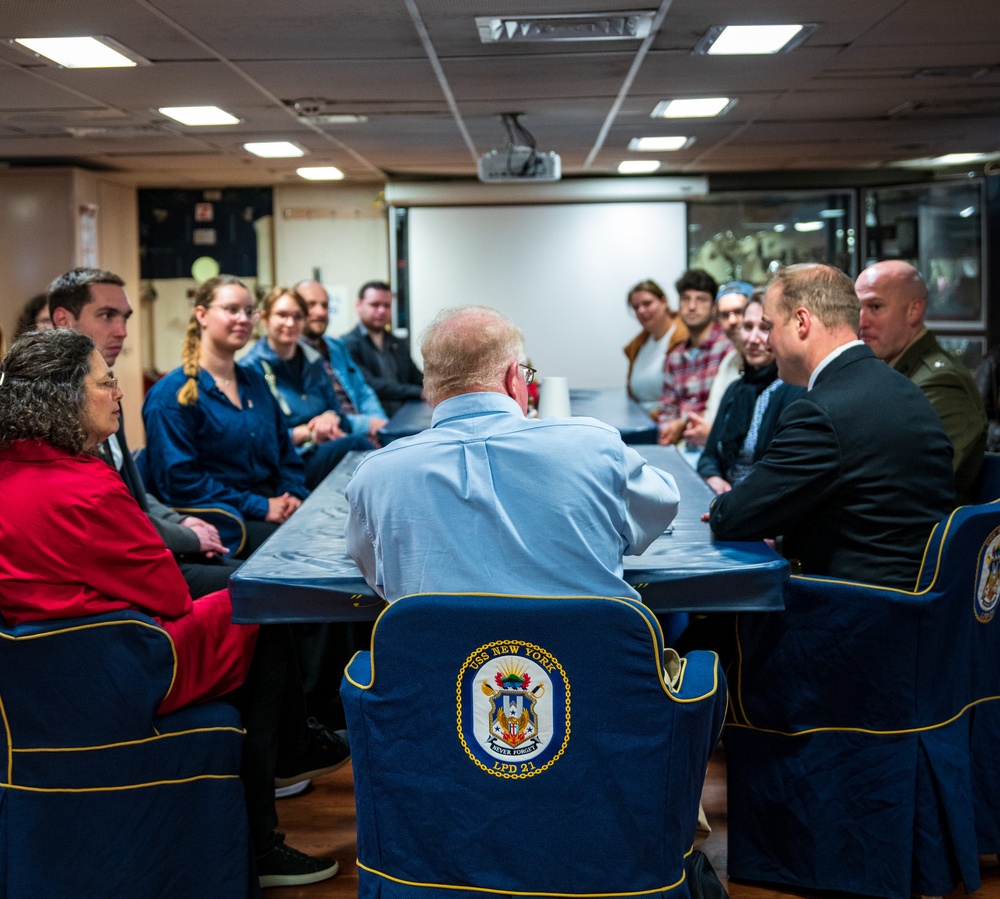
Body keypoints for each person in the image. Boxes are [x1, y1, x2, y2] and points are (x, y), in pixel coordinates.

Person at [345, 305, 681, 603]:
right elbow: (659, 510)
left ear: (430, 387)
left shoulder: (374, 477)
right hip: (585, 669)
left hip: (443, 672)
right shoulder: (597, 445)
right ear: (514, 378)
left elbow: (379, 576)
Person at [708, 264, 955, 589]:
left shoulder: (819, 412)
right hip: (914, 606)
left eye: (769, 326)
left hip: (851, 611)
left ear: (801, 322)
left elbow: (730, 517)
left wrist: (718, 504)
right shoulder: (904, 388)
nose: (766, 343)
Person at [49, 267, 236, 596]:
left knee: (266, 580)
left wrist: (180, 522)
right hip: (116, 575)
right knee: (263, 589)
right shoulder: (55, 410)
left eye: (125, 317)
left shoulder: (108, 393)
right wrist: (188, 536)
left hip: (153, 547)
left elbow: (131, 490)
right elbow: (112, 521)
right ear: (63, 320)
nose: (121, 331)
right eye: (107, 316)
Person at [142, 275, 308, 554]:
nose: (243, 318)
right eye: (232, 309)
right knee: (300, 547)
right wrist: (261, 506)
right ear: (202, 315)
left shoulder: (254, 382)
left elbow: (285, 452)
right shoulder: (170, 395)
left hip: (273, 504)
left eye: (248, 311)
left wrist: (292, 494)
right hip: (223, 517)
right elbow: (180, 482)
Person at [855, 259, 987, 504]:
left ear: (914, 310)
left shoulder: (942, 383)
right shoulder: (889, 372)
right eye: (858, 309)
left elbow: (914, 484)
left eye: (875, 307)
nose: (861, 322)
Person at [242, 286, 373, 490]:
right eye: (282, 315)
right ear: (265, 319)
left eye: (297, 316)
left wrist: (330, 418)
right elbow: (258, 439)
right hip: (288, 460)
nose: (290, 323)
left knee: (386, 438)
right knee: (358, 446)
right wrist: (305, 433)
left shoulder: (314, 362)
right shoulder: (250, 369)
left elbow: (339, 414)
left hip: (323, 447)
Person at [697, 292, 805, 494]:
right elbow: (709, 455)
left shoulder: (794, 390)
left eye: (764, 328)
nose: (753, 339)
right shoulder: (735, 389)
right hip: (725, 500)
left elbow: (779, 475)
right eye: (747, 327)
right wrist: (713, 477)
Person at [296, 279, 389, 442]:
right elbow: (319, 414)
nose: (321, 312)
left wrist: (380, 425)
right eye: (311, 305)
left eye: (325, 305)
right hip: (335, 435)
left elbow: (362, 391)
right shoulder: (292, 354)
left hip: (365, 430)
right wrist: (367, 425)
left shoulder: (337, 346)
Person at [656, 269, 733, 456]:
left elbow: (726, 408)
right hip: (679, 447)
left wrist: (681, 425)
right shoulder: (675, 356)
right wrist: (668, 430)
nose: (692, 306)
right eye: (685, 299)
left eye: (701, 299)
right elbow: (667, 408)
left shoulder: (728, 349)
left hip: (715, 445)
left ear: (714, 307)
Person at [341, 280, 424, 416]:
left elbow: (415, 375)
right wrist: (418, 392)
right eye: (375, 305)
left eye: (387, 305)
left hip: (407, 414)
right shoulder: (346, 345)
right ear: (358, 305)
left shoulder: (397, 342)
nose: (381, 311)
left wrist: (436, 387)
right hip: (374, 419)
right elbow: (370, 384)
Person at [623, 279, 688, 414]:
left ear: (664, 302)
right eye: (635, 307)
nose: (641, 310)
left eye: (647, 303)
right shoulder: (637, 346)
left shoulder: (684, 338)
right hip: (640, 423)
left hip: (669, 425)